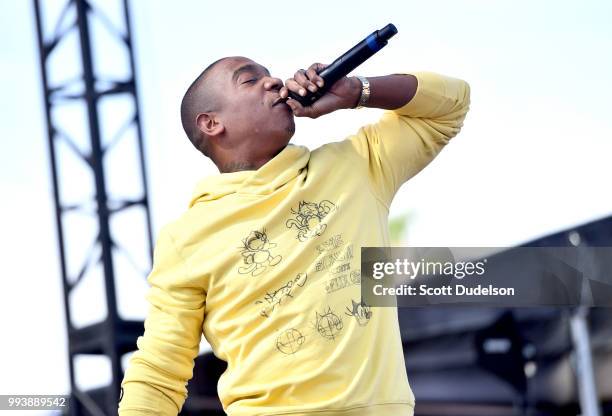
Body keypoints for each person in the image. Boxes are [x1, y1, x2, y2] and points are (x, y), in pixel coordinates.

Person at [119, 55, 470, 416]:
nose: (273, 82)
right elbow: (159, 370)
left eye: (270, 76)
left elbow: (451, 103)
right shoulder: (187, 237)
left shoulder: (355, 166)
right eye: (249, 80)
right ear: (211, 123)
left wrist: (355, 92)